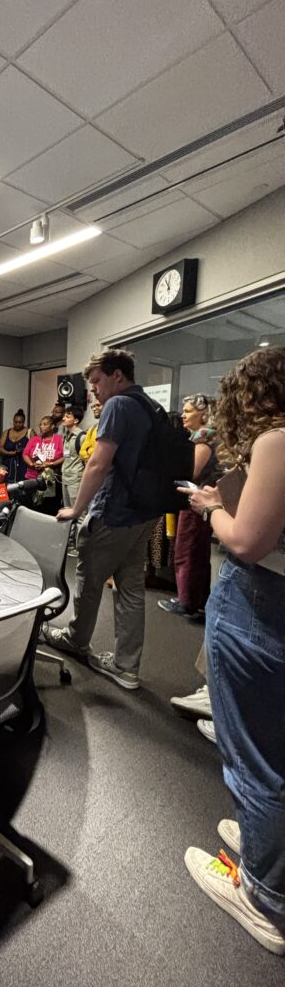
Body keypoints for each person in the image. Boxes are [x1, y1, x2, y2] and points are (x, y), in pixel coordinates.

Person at [178, 346, 285, 955]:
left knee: (252, 757)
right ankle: (262, 843)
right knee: (274, 745)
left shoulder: (275, 440)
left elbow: (246, 540)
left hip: (257, 611)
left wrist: (212, 507)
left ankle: (265, 899)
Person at [42, 349, 160, 690]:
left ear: (117, 376)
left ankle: (77, 641)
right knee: (131, 589)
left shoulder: (119, 405)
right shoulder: (150, 407)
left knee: (89, 580)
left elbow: (98, 463)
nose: (93, 390)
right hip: (143, 514)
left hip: (116, 512)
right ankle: (126, 667)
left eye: (96, 381)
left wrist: (77, 509)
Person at [158, 394, 220, 618]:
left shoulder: (202, 440)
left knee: (187, 551)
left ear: (203, 414)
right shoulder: (208, 437)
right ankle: (195, 599)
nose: (183, 414)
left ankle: (187, 602)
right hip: (203, 502)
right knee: (195, 552)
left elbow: (191, 472)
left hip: (196, 502)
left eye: (189, 411)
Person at [22, 416, 63, 514]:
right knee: (31, 507)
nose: (41, 427)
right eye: (40, 424)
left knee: (48, 508)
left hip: (50, 480)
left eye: (44, 424)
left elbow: (64, 457)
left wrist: (50, 464)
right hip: (32, 478)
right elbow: (25, 454)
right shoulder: (34, 439)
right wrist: (31, 464)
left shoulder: (59, 439)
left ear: (52, 426)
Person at [0, 409, 31, 484]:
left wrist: (23, 450)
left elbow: (34, 448)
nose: (18, 424)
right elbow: (0, 448)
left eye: (20, 422)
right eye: (16, 422)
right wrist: (9, 453)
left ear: (24, 422)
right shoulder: (7, 432)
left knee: (21, 487)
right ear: (13, 421)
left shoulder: (29, 432)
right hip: (6, 463)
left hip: (23, 464)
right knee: (3, 488)